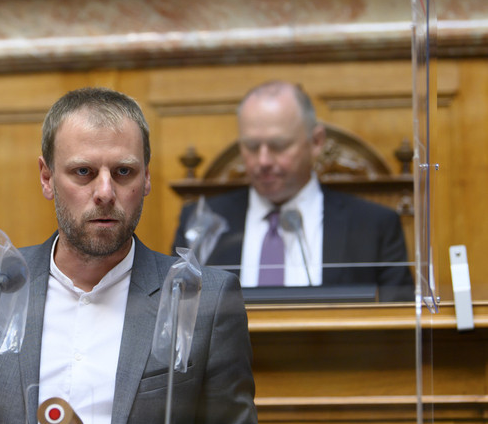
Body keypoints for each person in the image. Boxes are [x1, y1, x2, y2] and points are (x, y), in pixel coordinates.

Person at [0, 87, 265, 424]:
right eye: (83, 172)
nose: (105, 192)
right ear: (47, 178)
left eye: (123, 172)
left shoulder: (202, 297)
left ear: (147, 179)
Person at [172, 81, 413, 302]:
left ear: (316, 142)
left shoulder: (374, 226)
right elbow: (175, 316)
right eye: (251, 146)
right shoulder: (201, 223)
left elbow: (400, 328)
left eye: (279, 146)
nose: (263, 160)